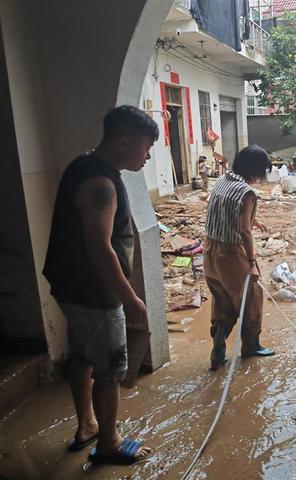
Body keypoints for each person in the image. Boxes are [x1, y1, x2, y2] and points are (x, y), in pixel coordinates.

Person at [43, 105, 157, 465]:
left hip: (69, 286)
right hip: (96, 293)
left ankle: (87, 425)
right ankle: (108, 443)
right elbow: (99, 246)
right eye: (145, 147)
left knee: (82, 356)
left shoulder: (84, 164)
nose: (148, 155)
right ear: (123, 143)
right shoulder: (102, 184)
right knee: (110, 370)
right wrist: (131, 298)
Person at [204, 145, 275, 370]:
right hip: (231, 254)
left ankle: (218, 347)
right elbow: (243, 232)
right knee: (251, 297)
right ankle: (251, 346)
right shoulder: (247, 192)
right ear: (255, 168)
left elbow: (225, 212)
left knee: (222, 299)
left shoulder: (223, 181)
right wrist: (252, 263)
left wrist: (254, 220)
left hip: (210, 252)